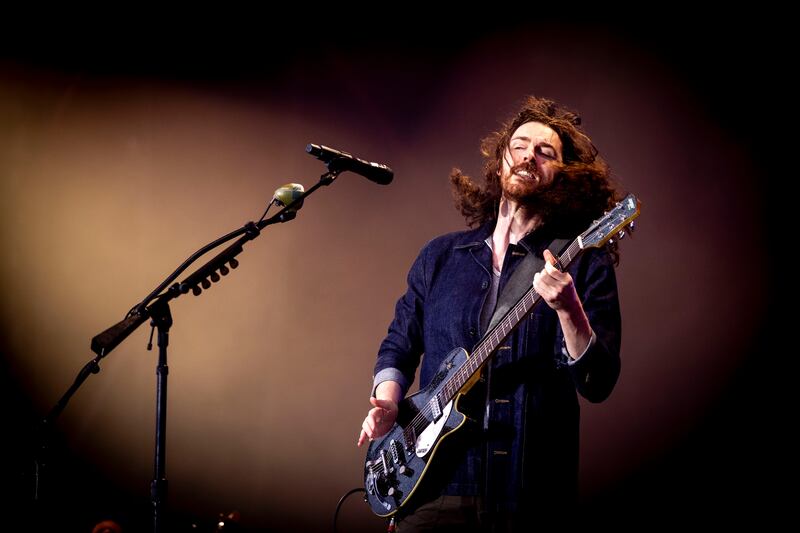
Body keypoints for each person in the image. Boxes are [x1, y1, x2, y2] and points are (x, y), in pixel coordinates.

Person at [357, 95, 623, 531]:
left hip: (529, 493)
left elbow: (598, 382)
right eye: (518, 146)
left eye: (545, 152)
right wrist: (387, 403)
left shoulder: (581, 262)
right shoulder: (440, 256)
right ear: (500, 164)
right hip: (432, 489)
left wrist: (568, 309)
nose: (528, 157)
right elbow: (400, 341)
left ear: (562, 177)